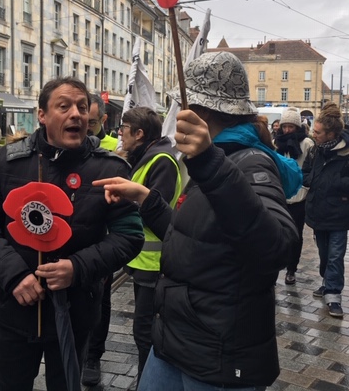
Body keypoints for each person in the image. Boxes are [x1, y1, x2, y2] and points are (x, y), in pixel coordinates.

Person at [94, 51, 299, 391]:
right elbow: (193, 237)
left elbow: (278, 248)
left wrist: (210, 164)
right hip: (178, 338)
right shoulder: (217, 158)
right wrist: (145, 199)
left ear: (200, 112)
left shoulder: (248, 163)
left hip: (219, 355)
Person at [0, 77, 144, 391]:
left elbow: (129, 236)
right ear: (43, 115)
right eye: (64, 106)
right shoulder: (7, 162)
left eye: (82, 107)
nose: (77, 114)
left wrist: (78, 267)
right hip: (16, 309)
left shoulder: (110, 169)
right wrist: (14, 274)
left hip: (76, 312)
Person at [83, 107, 181, 389]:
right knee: (144, 332)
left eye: (124, 128)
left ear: (140, 133)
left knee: (146, 334)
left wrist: (116, 209)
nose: (119, 133)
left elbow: (156, 209)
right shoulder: (146, 156)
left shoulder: (161, 159)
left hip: (154, 263)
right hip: (143, 263)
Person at [302, 102, 349, 317]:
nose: (314, 135)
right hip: (317, 211)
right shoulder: (315, 151)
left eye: (318, 132)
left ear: (331, 133)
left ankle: (333, 295)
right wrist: (312, 180)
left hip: (339, 213)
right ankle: (327, 281)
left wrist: (339, 182)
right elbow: (304, 173)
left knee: (335, 256)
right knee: (324, 255)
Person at [80, 93, 120, 386]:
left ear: (101, 120)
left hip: (99, 242)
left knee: (100, 301)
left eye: (90, 122)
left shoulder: (115, 150)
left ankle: (93, 355)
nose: (83, 126)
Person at [274, 107, 314, 285]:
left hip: (299, 196)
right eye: (285, 126)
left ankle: (291, 269)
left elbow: (311, 168)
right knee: (276, 233)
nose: (287, 130)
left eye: (291, 127)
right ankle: (274, 269)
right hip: (280, 195)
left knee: (296, 234)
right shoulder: (276, 143)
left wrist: (305, 184)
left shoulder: (307, 144)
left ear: (297, 127)